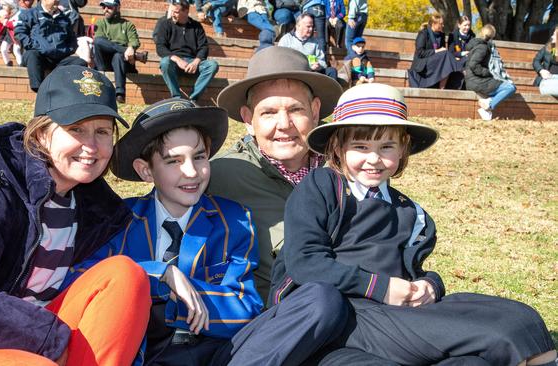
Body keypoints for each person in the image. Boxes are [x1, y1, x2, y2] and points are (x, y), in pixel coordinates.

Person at [270, 82, 558, 366]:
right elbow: (305, 262)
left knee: (521, 318)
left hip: (397, 315)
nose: (374, 159)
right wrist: (380, 287)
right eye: (360, 146)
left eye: (386, 147)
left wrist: (430, 284)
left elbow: (409, 271)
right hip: (343, 316)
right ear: (338, 146)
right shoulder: (321, 186)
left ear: (403, 147)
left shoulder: (411, 213)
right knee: (503, 331)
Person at [64, 97, 346, 366]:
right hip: (144, 352)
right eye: (173, 161)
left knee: (322, 301)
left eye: (199, 157)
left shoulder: (233, 219)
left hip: (221, 354)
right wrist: (159, 275)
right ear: (145, 170)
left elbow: (245, 306)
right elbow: (81, 281)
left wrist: (176, 301)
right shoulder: (119, 219)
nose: (191, 172)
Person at [0, 65, 151, 366]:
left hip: (36, 334)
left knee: (124, 276)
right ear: (42, 134)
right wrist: (47, 337)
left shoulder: (95, 205)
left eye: (102, 132)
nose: (91, 146)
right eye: (76, 129)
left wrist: (165, 272)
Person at [212, 46, 407, 365]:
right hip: (275, 332)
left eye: (296, 110)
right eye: (268, 112)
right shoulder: (219, 175)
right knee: (321, 298)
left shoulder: (351, 170)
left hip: (354, 327)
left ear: (316, 111)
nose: (284, 124)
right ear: (248, 119)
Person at [153, 0, 219, 103]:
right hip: (174, 62)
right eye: (173, 11)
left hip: (193, 62)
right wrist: (178, 60)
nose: (173, 14)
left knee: (212, 65)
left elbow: (204, 47)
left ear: (186, 11)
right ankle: (176, 98)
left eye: (177, 12)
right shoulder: (165, 24)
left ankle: (193, 99)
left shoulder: (196, 26)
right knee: (165, 62)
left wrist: (195, 62)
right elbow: (160, 47)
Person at [14, 0, 87, 92]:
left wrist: (68, 49)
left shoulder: (64, 18)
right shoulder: (29, 14)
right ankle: (39, 90)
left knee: (80, 62)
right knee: (32, 55)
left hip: (59, 58)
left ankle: (67, 90)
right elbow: (20, 33)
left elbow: (72, 38)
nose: (57, 1)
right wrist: (34, 46)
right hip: (39, 55)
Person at [93, 0, 147, 104]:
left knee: (118, 55)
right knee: (98, 41)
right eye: (103, 7)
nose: (105, 10)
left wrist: (131, 48)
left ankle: (120, 95)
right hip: (104, 63)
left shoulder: (127, 25)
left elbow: (134, 41)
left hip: (123, 62)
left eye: (109, 7)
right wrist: (126, 50)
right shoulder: (100, 23)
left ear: (117, 8)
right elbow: (99, 43)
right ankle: (135, 55)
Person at [465, 24, 517, 120]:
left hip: (476, 79)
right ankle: (488, 105)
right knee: (510, 87)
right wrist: (489, 72)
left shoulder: (478, 45)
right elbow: (474, 65)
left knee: (507, 86)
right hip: (476, 80)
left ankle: (488, 102)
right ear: (492, 36)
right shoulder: (483, 48)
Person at [408, 13, 463, 89]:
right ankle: (442, 88)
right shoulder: (424, 33)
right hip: (423, 63)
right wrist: (436, 51)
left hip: (436, 62)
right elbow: (420, 53)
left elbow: (442, 53)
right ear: (434, 24)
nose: (443, 25)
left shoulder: (441, 35)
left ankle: (442, 88)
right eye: (441, 24)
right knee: (447, 56)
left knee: (447, 57)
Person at [278, 13, 339, 81]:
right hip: (294, 72)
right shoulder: (286, 40)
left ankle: (331, 91)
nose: (311, 29)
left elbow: (323, 62)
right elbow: (281, 61)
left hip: (312, 72)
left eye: (312, 26)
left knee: (331, 71)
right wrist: (305, 67)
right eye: (308, 26)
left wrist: (318, 66)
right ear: (298, 26)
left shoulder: (315, 42)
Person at [0, 0, 22, 66]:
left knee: (16, 50)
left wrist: (6, 22)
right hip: (9, 36)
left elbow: (15, 25)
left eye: (5, 5)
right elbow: (0, 27)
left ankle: (21, 63)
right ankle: (8, 62)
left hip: (17, 36)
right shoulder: (4, 14)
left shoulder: (17, 14)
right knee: (3, 49)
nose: (3, 7)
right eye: (3, 5)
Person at [532, 25, 558, 96]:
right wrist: (541, 70)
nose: (552, 36)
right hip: (547, 79)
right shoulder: (548, 47)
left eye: (555, 35)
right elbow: (536, 61)